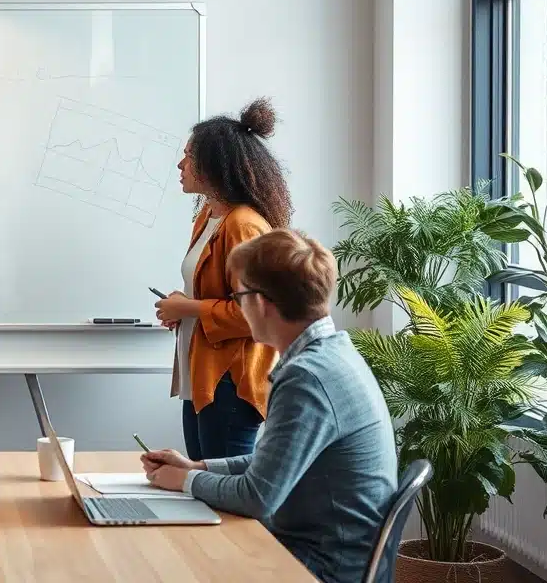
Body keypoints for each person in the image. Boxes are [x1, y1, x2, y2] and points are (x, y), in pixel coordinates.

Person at [141, 229, 397, 583]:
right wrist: (198, 466)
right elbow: (272, 462)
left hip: (323, 565)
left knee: (175, 562)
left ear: (260, 303)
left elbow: (258, 496)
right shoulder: (334, 354)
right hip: (331, 550)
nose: (238, 306)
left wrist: (185, 480)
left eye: (238, 295)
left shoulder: (307, 377)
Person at [153, 98, 292, 461]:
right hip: (201, 377)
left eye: (188, 156)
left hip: (231, 382)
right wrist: (182, 309)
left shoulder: (244, 225)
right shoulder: (208, 218)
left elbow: (257, 312)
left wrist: (190, 308)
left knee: (224, 497)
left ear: (214, 166)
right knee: (202, 484)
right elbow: (213, 292)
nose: (180, 165)